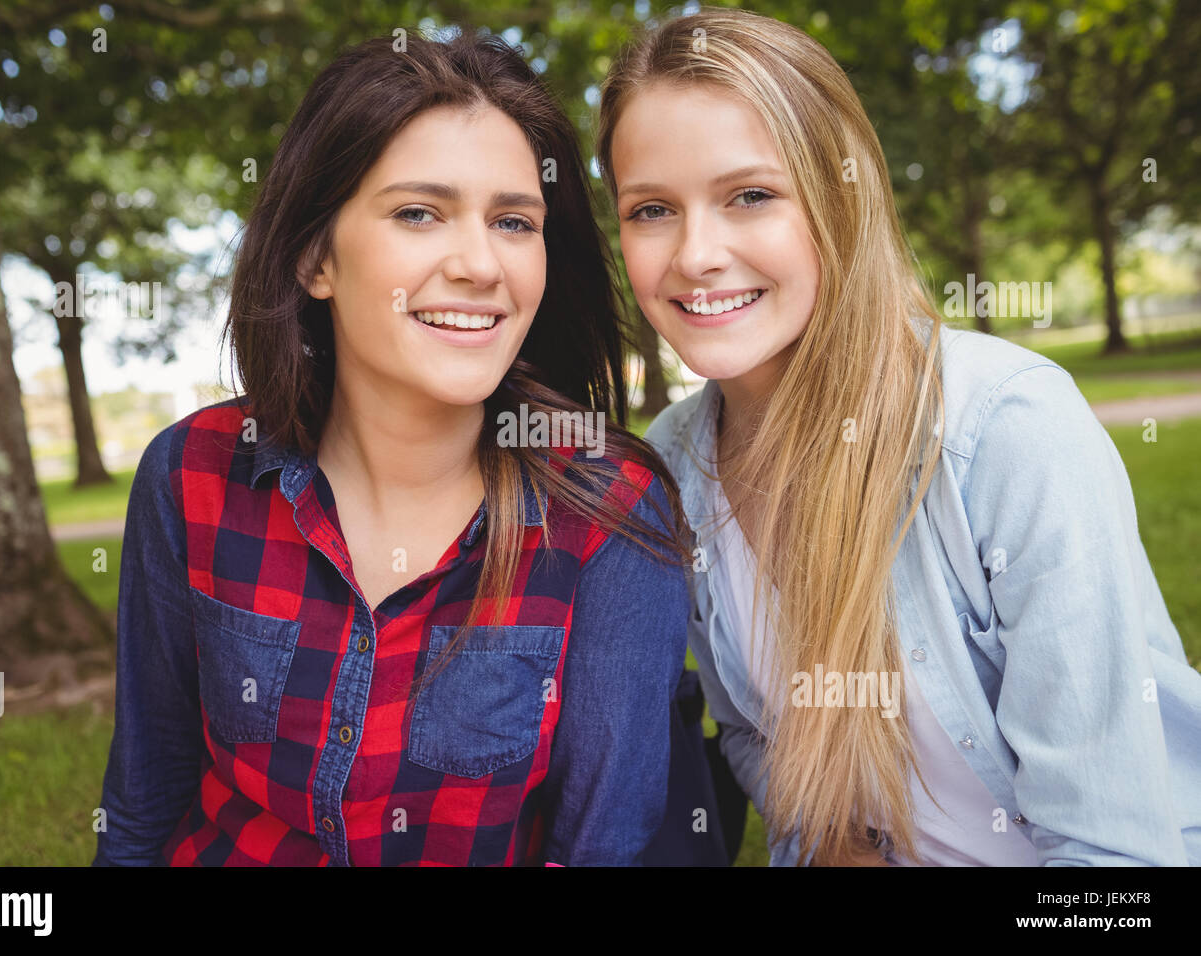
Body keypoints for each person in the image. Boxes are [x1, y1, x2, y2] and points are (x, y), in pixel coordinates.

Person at [597, 6, 1201, 866]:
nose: (695, 253)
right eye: (652, 208)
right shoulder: (674, 463)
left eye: (751, 196)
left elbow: (1117, 863)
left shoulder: (1005, 432)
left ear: (842, 199)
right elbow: (748, 731)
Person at [93, 28, 693, 867]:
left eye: (515, 221)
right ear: (315, 257)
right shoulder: (191, 472)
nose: (482, 264)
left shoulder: (608, 510)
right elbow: (142, 808)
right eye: (419, 212)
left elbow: (605, 849)